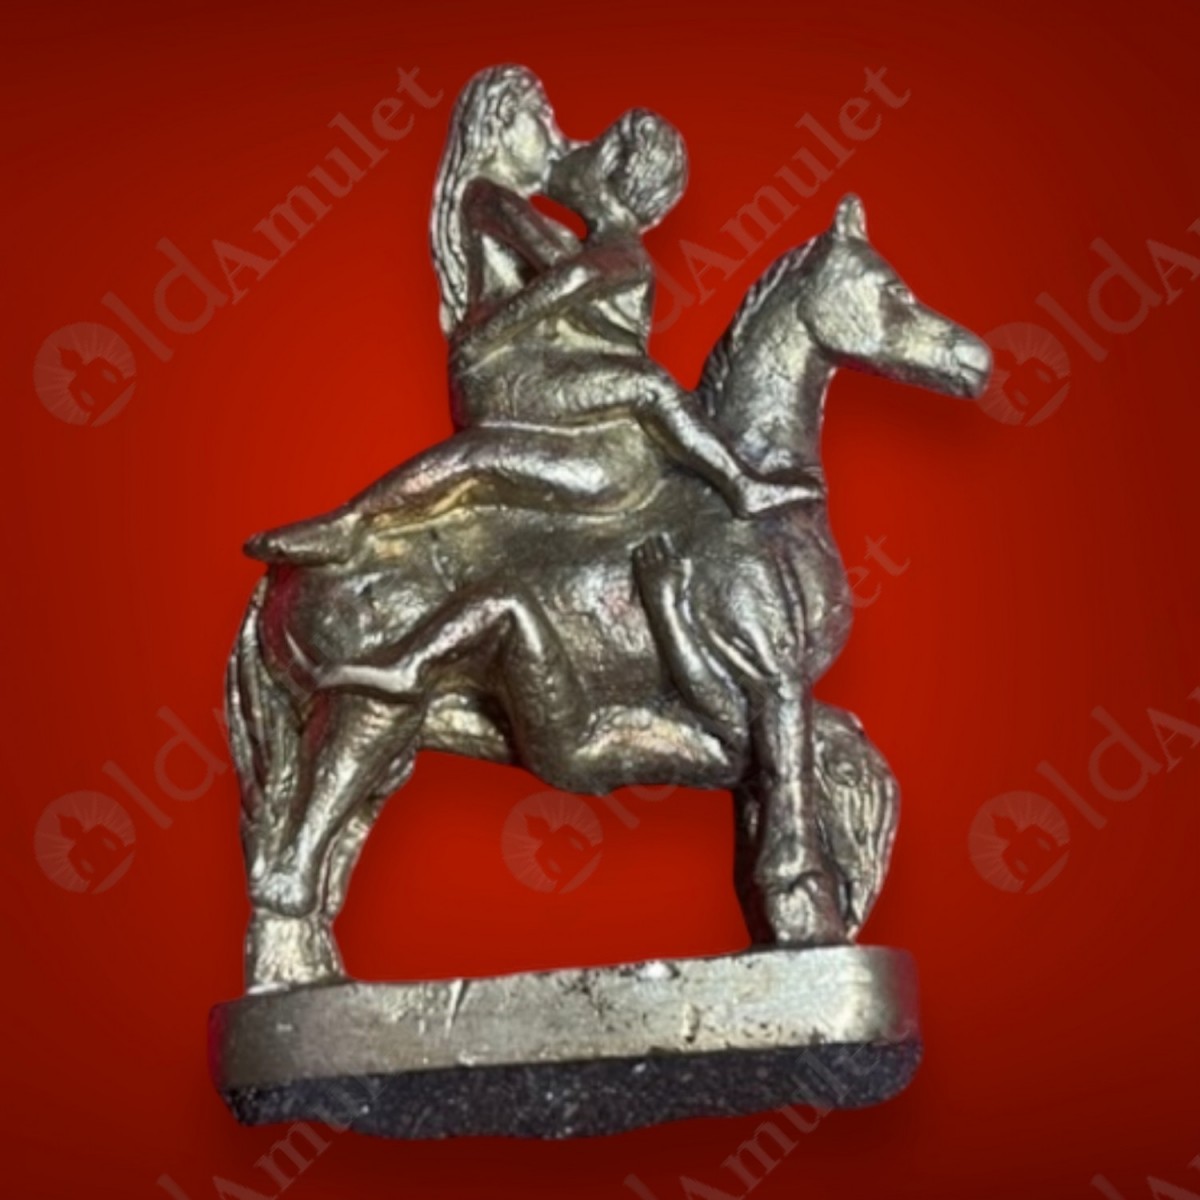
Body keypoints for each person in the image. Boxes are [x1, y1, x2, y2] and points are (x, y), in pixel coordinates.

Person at [247, 72, 818, 567]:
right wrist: (489, 336)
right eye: (540, 121)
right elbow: (567, 276)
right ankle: (739, 484)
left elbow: (580, 292)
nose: (557, 138)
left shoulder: (575, 234)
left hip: (526, 368)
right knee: (646, 387)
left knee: (625, 407)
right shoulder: (489, 196)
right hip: (504, 373)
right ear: (502, 124)